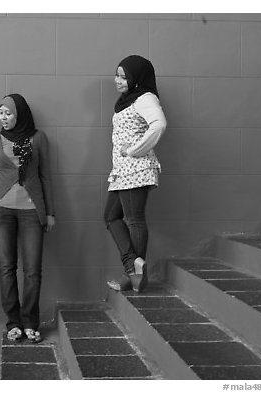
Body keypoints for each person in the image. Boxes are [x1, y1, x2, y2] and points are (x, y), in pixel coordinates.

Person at [0, 93, 56, 343]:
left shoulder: (38, 138)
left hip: (31, 213)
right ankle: (13, 322)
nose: (3, 118)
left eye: (9, 113)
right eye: (1, 113)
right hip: (1, 212)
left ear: (20, 114)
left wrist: (50, 212)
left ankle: (30, 322)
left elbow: (46, 176)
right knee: (7, 268)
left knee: (33, 270)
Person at [104, 55, 167, 293]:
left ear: (137, 78)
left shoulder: (145, 98)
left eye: (124, 76)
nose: (118, 80)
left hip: (137, 168)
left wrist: (134, 150)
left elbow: (159, 124)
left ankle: (133, 275)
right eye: (117, 75)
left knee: (134, 220)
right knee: (111, 217)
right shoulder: (128, 100)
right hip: (122, 171)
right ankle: (133, 267)